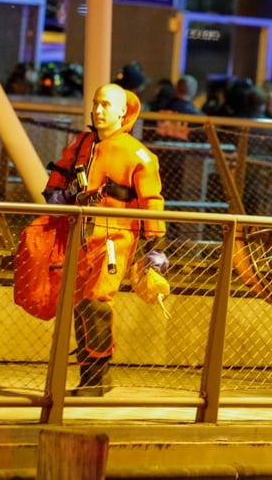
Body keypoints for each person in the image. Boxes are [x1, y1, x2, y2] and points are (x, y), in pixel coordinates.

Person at [42, 83, 166, 396]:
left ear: (123, 111)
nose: (98, 111)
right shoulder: (80, 145)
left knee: (96, 302)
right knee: (82, 305)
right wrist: (61, 196)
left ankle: (97, 378)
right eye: (96, 104)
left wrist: (156, 251)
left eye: (106, 105)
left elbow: (152, 202)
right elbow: (54, 186)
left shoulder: (139, 155)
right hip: (78, 235)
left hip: (116, 239)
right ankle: (91, 377)